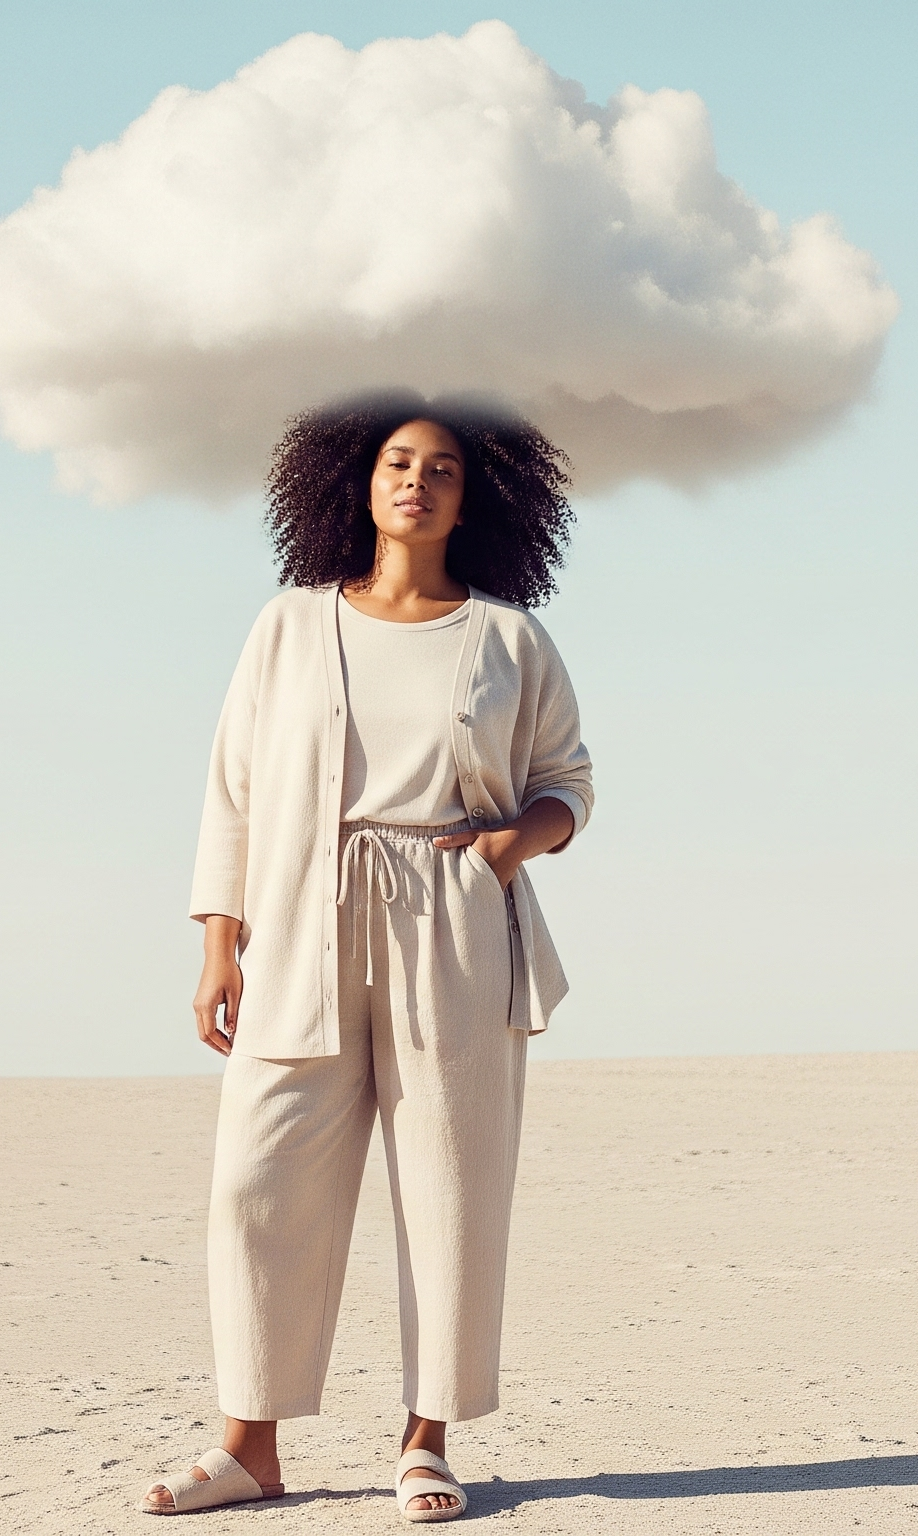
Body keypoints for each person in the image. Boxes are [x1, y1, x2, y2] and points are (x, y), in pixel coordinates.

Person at [137, 390, 593, 1522]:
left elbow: (566, 782)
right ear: (357, 479)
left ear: (470, 497)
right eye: (397, 461)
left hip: (450, 918)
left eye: (440, 468)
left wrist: (501, 848)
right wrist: (217, 943)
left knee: (447, 1186)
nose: (415, 481)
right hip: (298, 918)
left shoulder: (506, 638)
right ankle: (250, 1443)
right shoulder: (288, 625)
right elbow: (232, 789)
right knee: (257, 1179)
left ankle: (425, 1438)